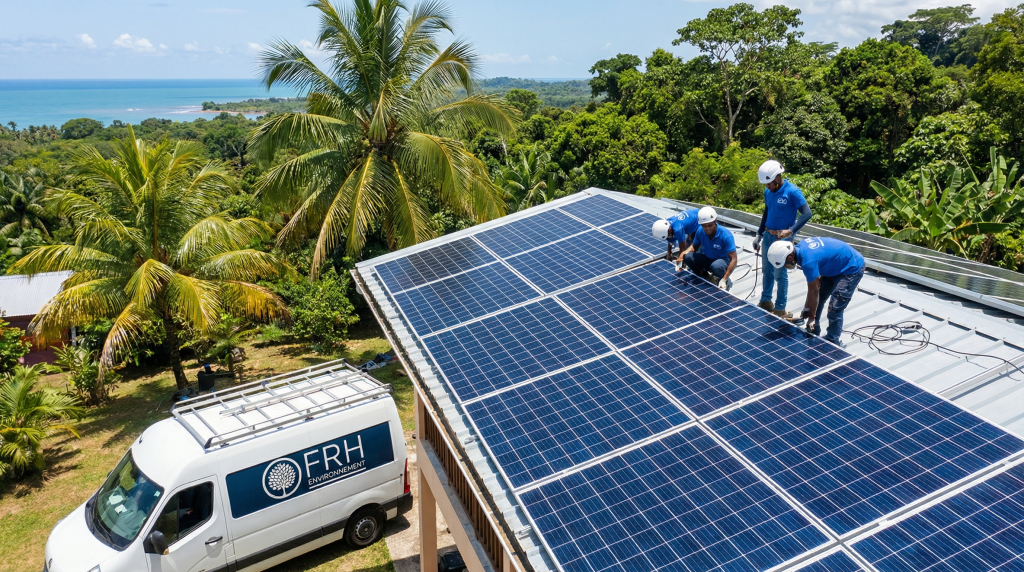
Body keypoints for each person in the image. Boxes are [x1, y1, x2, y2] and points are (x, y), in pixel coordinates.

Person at [767, 237, 865, 347]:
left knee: (835, 308)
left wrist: (811, 317)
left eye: (785, 264)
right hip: (834, 267)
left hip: (851, 268)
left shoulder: (808, 261)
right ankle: (814, 328)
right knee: (820, 297)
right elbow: (815, 291)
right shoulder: (800, 248)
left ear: (790, 257)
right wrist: (807, 309)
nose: (786, 266)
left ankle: (833, 342)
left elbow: (813, 291)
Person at [753, 160, 813, 318]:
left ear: (777, 178)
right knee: (767, 271)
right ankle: (766, 301)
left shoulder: (792, 191)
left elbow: (807, 213)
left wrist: (791, 231)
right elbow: (766, 213)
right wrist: (759, 234)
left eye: (769, 183)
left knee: (780, 274)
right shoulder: (768, 192)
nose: (767, 187)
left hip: (782, 240)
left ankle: (780, 308)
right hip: (767, 235)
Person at [678, 207, 737, 291]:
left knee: (715, 266)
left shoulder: (726, 235)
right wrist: (683, 254)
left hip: (722, 261)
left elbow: (734, 259)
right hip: (708, 258)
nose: (707, 228)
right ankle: (704, 275)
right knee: (688, 257)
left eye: (710, 225)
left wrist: (725, 278)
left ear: (715, 221)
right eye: (704, 226)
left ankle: (722, 278)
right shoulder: (700, 231)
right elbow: (694, 247)